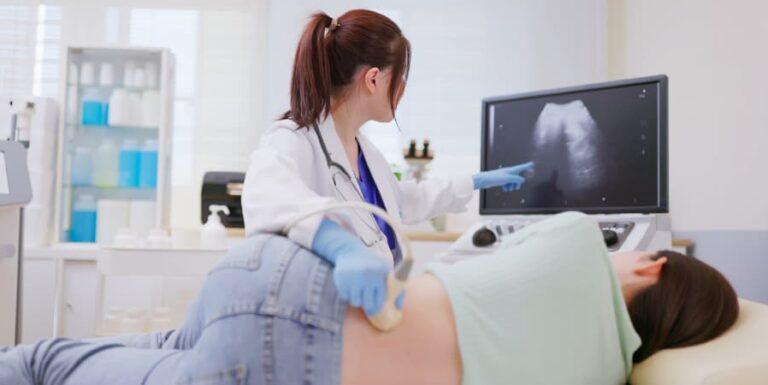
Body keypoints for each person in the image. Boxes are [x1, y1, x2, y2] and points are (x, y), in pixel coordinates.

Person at [0, 212, 738, 385]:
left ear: (654, 267)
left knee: (51, 359)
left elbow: (458, 267)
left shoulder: (579, 237)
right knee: (51, 369)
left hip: (282, 280)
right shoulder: (597, 376)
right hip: (286, 356)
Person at [242, 9, 535, 316]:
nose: (403, 90)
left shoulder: (366, 151)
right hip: (320, 320)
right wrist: (339, 244)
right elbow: (267, 197)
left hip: (373, 315)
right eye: (402, 77)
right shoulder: (293, 138)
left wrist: (473, 181)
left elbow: (401, 202)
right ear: (374, 79)